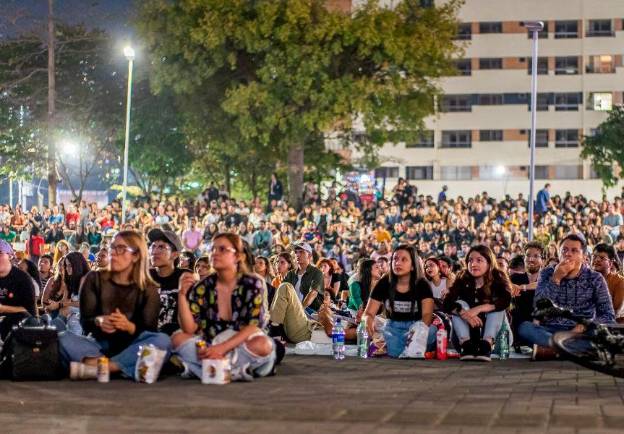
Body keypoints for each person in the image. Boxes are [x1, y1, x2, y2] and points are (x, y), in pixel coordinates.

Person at [59, 230, 170, 380]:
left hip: (133, 346)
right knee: (62, 338)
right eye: (112, 247)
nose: (113, 253)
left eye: (121, 249)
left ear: (136, 256)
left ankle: (108, 367)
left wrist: (128, 326)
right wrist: (99, 321)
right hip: (98, 346)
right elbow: (85, 323)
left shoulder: (148, 288)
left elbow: (149, 330)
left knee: (162, 341)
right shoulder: (93, 279)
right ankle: (122, 368)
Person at [173, 233, 276, 381]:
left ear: (238, 256)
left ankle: (206, 368)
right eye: (213, 249)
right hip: (211, 342)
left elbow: (253, 327)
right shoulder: (202, 287)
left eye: (222, 249)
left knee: (263, 344)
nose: (215, 253)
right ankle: (232, 370)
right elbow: (190, 329)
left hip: (240, 343)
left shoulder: (252, 283)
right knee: (177, 338)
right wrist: (182, 295)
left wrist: (221, 349)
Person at [518, 234, 616, 360]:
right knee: (525, 328)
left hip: (581, 331)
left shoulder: (595, 278)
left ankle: (552, 350)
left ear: (584, 256)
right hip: (551, 330)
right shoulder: (547, 273)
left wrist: (584, 326)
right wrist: (556, 278)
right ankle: (573, 350)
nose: (568, 254)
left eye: (574, 251)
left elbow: (608, 315)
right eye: (564, 250)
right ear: (559, 253)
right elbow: (538, 307)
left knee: (604, 335)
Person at [363, 244, 437, 358]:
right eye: (395, 259)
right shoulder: (384, 282)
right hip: (393, 328)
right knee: (396, 351)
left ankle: (409, 347)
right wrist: (368, 320)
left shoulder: (422, 284)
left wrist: (418, 334)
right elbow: (368, 313)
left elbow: (427, 314)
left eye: (404, 260)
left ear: (413, 265)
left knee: (432, 332)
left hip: (416, 326)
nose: (397, 263)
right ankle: (396, 347)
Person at [443, 245, 512, 362]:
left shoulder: (498, 277)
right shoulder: (462, 278)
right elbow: (447, 302)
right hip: (466, 339)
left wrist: (481, 308)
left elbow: (506, 300)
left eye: (479, 260)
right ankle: (466, 345)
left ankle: (486, 345)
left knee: (497, 307)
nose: (473, 264)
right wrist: (464, 314)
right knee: (459, 304)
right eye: (470, 260)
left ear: (489, 263)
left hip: (498, 342)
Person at [148, 228, 192, 335]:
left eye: (161, 247)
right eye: (153, 246)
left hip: (175, 336)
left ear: (175, 254)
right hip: (146, 335)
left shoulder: (184, 277)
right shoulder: (146, 276)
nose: (154, 252)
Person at [509, 242, 544, 349]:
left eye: (536, 256)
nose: (531, 259)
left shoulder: (548, 278)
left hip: (542, 326)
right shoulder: (515, 278)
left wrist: (522, 287)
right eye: (528, 255)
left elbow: (544, 284)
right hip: (520, 326)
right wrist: (511, 286)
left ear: (543, 260)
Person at [0, 240, 36, 340]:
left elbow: (30, 312)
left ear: (10, 256)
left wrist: (3, 308)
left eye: (0, 253)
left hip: (17, 331)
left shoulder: (22, 279)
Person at [282, 242, 324, 313]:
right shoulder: (290, 274)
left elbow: (313, 293)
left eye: (301, 252)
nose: (297, 255)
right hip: (292, 310)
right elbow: (283, 293)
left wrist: (300, 310)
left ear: (309, 255)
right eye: (296, 252)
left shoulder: (317, 272)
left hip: (310, 311)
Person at [592, 243, 624, 324]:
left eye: (602, 258)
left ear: (610, 263)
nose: (597, 260)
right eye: (594, 257)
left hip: (612, 327)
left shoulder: (619, 281)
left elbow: (614, 311)